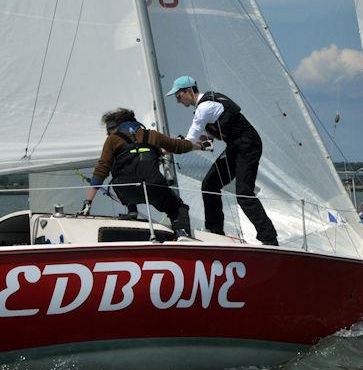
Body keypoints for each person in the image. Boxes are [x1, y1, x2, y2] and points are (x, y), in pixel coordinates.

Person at [167, 76, 279, 245]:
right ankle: (215, 231)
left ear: (189, 91)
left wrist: (166, 146)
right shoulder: (206, 106)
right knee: (209, 184)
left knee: (243, 193)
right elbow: (211, 136)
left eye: (178, 96)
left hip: (248, 146)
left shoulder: (203, 109)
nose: (177, 101)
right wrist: (202, 142)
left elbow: (188, 143)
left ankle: (269, 238)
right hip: (236, 146)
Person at [81, 108, 197, 237]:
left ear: (117, 126)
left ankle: (132, 211)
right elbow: (178, 146)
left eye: (108, 130)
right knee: (178, 208)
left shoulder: (112, 140)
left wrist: (88, 203)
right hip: (154, 187)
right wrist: (200, 146)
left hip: (126, 191)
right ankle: (182, 233)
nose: (108, 134)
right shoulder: (152, 135)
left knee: (124, 174)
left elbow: (101, 170)